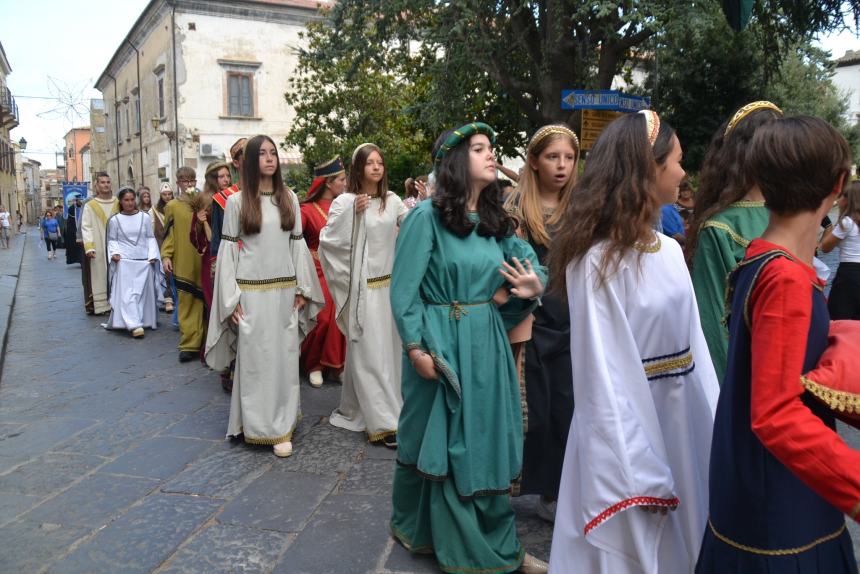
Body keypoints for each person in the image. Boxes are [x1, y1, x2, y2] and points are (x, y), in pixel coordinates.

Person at [547, 111, 719, 573]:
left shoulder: (668, 250)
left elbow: (695, 346)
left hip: (682, 421)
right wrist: (632, 465)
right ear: (649, 167)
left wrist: (714, 421)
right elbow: (602, 371)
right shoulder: (596, 260)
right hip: (625, 428)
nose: (685, 173)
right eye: (678, 161)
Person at [696, 116, 860, 573]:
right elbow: (776, 414)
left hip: (755, 491)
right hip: (781, 507)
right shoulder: (785, 276)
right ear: (838, 185)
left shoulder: (762, 256)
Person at [390, 122, 547, 574]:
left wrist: (533, 283)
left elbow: (531, 266)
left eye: (492, 148)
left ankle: (492, 536)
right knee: (445, 441)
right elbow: (404, 292)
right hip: (441, 344)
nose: (491, 154)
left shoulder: (497, 225)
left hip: (486, 344)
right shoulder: (426, 219)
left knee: (485, 436)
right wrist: (417, 348)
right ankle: (442, 537)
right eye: (480, 149)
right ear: (458, 162)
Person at [205, 134, 323, 457]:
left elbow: (297, 245)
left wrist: (303, 288)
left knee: (284, 361)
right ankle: (256, 425)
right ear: (251, 161)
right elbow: (228, 253)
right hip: (251, 296)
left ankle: (281, 425)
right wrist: (232, 300)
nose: (270, 158)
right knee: (256, 363)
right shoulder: (236, 203)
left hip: (285, 293)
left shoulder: (290, 199)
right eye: (263, 154)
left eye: (274, 153)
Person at [503, 124, 579, 523]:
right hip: (530, 320)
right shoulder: (514, 210)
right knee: (530, 409)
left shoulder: (582, 208)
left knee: (567, 408)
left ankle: (556, 490)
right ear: (534, 162)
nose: (562, 165)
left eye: (568, 157)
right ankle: (511, 484)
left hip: (571, 320)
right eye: (553, 157)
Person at [686, 101, 783, 383]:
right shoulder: (720, 227)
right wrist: (730, 391)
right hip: (748, 374)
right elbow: (713, 320)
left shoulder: (792, 213)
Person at [319, 143, 407, 447]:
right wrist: (353, 217)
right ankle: (384, 423)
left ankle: (365, 406)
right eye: (370, 163)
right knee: (370, 354)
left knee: (389, 354)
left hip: (390, 288)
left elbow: (413, 228)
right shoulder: (345, 202)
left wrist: (427, 204)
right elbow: (328, 241)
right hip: (363, 290)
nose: (376, 167)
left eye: (380, 162)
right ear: (358, 168)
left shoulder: (393, 201)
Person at [299, 156, 348, 387]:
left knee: (342, 315)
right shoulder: (306, 210)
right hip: (315, 270)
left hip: (340, 268)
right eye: (341, 179)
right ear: (328, 182)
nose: (345, 183)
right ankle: (314, 364)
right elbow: (295, 241)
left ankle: (335, 365)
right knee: (322, 317)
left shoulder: (346, 205)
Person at [105, 188, 162, 338]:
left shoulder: (144, 217)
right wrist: (114, 253)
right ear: (121, 202)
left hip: (144, 261)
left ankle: (141, 319)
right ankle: (134, 324)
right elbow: (112, 240)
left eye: (131, 199)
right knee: (128, 294)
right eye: (126, 200)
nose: (129, 203)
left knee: (141, 293)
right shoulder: (114, 220)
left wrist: (153, 254)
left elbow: (150, 237)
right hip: (124, 263)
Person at [161, 166, 206, 362]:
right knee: (186, 301)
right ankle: (189, 344)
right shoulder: (172, 206)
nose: (188, 184)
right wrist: (166, 256)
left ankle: (204, 342)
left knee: (205, 301)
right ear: (178, 183)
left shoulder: (205, 201)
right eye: (184, 181)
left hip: (203, 256)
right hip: (183, 259)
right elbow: (169, 234)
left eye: (192, 180)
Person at [190, 161, 230, 315]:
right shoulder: (204, 202)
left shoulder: (237, 198)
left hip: (235, 254)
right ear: (213, 180)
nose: (226, 179)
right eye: (221, 176)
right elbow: (194, 237)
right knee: (214, 300)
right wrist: (199, 223)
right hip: (212, 257)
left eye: (228, 176)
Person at [820, 181, 860, 319]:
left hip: (849, 273)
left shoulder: (847, 222)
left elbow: (825, 247)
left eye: (842, 196)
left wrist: (828, 227)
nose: (838, 200)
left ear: (849, 200)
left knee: (839, 314)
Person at [82, 172, 120, 314]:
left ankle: (119, 303)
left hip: (117, 244)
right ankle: (103, 306)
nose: (106, 185)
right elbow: (86, 227)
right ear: (96, 186)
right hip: (98, 244)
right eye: (102, 182)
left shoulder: (118, 202)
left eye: (108, 182)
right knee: (100, 274)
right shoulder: (90, 205)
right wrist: (89, 247)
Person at [152, 182, 175, 313]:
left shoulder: (176, 206)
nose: (167, 196)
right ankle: (167, 299)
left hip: (175, 243)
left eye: (169, 194)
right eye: (164, 194)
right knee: (165, 271)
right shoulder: (154, 210)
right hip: (161, 243)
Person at [65, 195, 84, 265]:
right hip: (74, 231)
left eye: (82, 200)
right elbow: (70, 222)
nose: (81, 201)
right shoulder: (72, 208)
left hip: (83, 230)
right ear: (76, 200)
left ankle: (82, 260)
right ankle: (79, 260)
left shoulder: (85, 207)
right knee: (76, 246)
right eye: (79, 200)